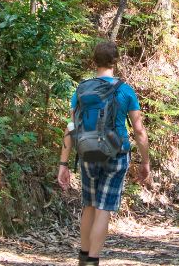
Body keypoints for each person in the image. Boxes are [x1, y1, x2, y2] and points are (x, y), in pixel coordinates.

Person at [57, 40, 151, 265]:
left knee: (89, 204)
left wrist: (63, 164)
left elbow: (71, 128)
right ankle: (93, 261)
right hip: (117, 155)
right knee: (103, 208)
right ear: (116, 61)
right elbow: (139, 130)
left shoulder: (81, 89)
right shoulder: (125, 90)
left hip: (88, 154)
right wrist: (145, 162)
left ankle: (83, 258)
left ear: (94, 61)